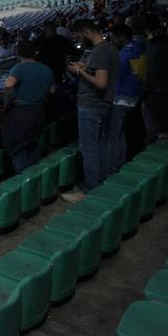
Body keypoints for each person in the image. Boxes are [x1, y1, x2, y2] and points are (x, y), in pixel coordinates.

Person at [64, 19, 119, 202]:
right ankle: (100, 182)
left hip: (92, 105)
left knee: (89, 148)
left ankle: (90, 189)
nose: (79, 39)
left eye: (79, 35)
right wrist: (85, 67)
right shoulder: (109, 47)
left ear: (86, 31)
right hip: (103, 104)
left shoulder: (100, 50)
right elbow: (101, 74)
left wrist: (80, 72)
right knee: (100, 145)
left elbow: (101, 83)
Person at [2, 40, 54, 173]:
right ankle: (34, 178)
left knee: (20, 149)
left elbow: (9, 85)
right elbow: (52, 91)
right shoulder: (46, 69)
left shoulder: (19, 68)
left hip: (22, 114)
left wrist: (7, 102)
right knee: (33, 146)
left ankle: (24, 180)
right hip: (40, 111)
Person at [109, 24, 145, 173]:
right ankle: (120, 162)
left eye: (113, 38)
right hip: (133, 97)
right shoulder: (139, 48)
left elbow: (115, 75)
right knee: (120, 133)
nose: (112, 41)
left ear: (121, 37)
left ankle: (112, 167)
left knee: (113, 135)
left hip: (122, 98)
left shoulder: (126, 53)